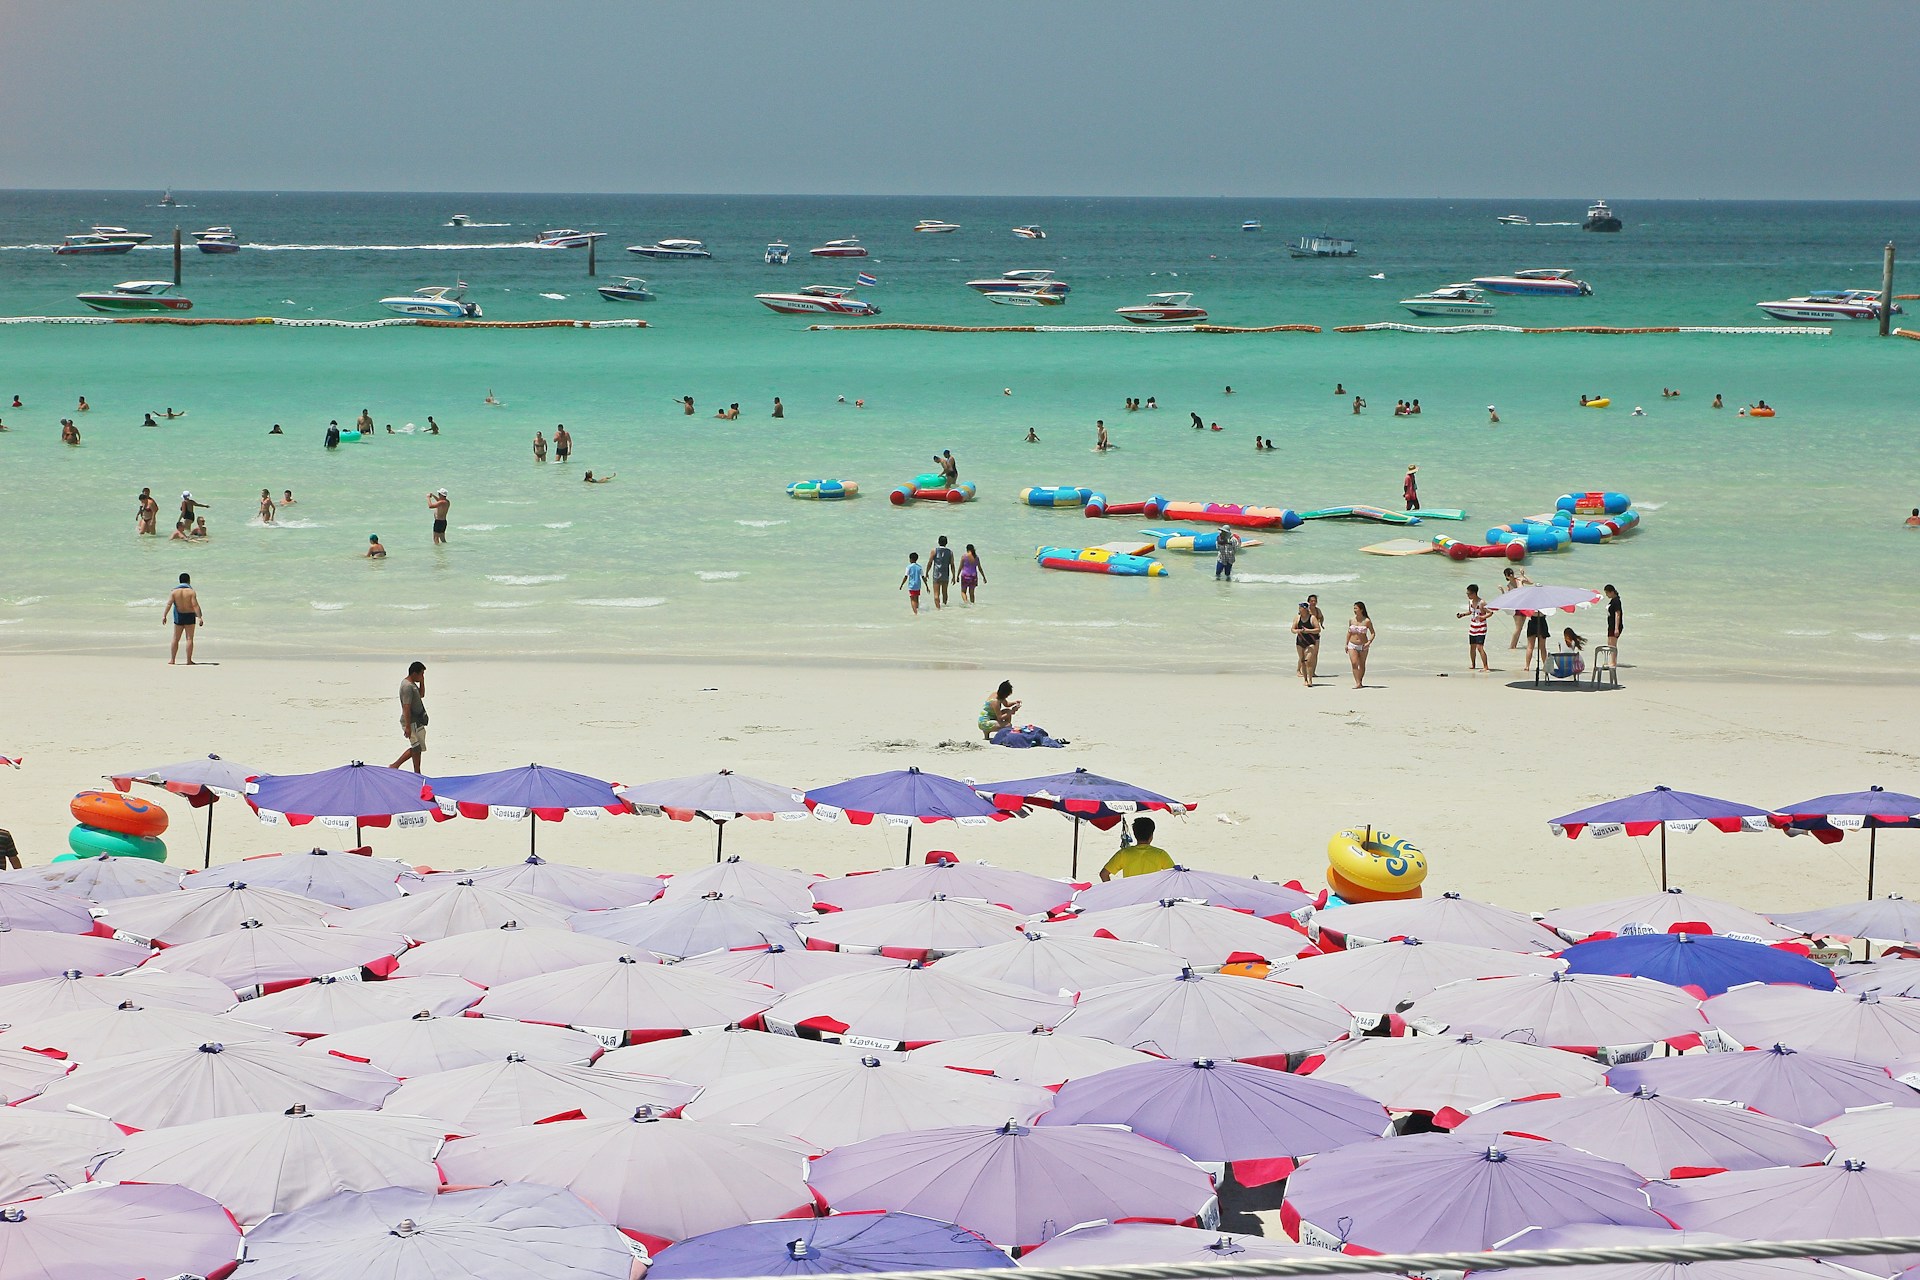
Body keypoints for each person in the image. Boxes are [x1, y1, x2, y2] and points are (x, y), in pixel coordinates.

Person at [1098, 816, 1175, 882]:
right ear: (1151, 836)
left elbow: (1104, 874)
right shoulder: (1160, 854)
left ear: (1135, 835)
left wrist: (1113, 892)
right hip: (1153, 896)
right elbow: (1175, 875)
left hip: (1130, 897)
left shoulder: (1124, 853)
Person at [389, 661, 428, 773]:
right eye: (421, 674)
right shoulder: (407, 686)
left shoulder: (412, 684)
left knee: (418, 748)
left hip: (417, 721)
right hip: (411, 721)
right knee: (416, 747)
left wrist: (422, 681)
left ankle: (417, 771)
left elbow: (421, 695)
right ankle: (395, 765)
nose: (422, 676)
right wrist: (407, 726)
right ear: (414, 673)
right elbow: (406, 707)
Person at [163, 572, 202, 665]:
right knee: (189, 639)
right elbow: (195, 605)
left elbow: (169, 604)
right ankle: (189, 660)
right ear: (189, 581)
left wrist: (164, 615)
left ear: (179, 581)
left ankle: (172, 660)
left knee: (176, 638)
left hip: (179, 616)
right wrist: (200, 617)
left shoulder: (174, 592)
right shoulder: (191, 592)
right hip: (189, 615)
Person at [1458, 584, 1491, 671]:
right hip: (1472, 627)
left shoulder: (1482, 602)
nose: (1467, 595)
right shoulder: (1470, 602)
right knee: (1472, 647)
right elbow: (1470, 612)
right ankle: (1473, 664)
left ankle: (1486, 667)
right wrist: (1462, 614)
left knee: (1479, 647)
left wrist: (1483, 617)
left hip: (1481, 628)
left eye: (1469, 593)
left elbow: (1490, 612)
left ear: (1474, 593)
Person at [1502, 566, 1535, 647]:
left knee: (1520, 628)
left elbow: (1531, 582)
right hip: (1516, 607)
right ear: (1506, 577)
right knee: (1518, 628)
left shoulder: (1520, 579)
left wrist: (1523, 575)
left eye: (1512, 573)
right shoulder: (1509, 586)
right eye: (1509, 575)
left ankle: (1514, 646)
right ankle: (1512, 646)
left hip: (1524, 606)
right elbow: (1506, 597)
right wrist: (1502, 591)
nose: (1511, 575)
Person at [1347, 601, 1376, 689]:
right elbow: (1349, 632)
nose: (1354, 610)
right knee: (1354, 663)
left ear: (1361, 609)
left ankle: (1360, 681)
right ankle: (1357, 682)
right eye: (1354, 608)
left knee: (1362, 664)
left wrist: (1369, 642)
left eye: (1356, 608)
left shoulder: (1367, 621)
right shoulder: (1351, 620)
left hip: (1363, 645)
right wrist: (1346, 643)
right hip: (1352, 644)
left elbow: (1373, 633)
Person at [1292, 602, 1320, 687]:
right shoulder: (1297, 618)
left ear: (1305, 609)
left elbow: (1318, 629)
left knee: (1308, 661)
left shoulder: (1312, 618)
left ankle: (1310, 680)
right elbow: (1292, 629)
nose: (1299, 610)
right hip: (1300, 641)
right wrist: (1297, 631)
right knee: (1302, 660)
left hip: (1310, 642)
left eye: (1301, 608)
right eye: (1299, 608)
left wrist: (1308, 630)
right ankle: (1305, 679)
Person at [927, 535, 956, 609]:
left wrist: (927, 572)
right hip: (945, 574)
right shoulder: (950, 552)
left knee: (936, 594)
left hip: (937, 575)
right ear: (946, 542)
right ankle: (944, 606)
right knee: (945, 592)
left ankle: (938, 609)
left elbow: (930, 563)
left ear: (938, 542)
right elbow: (952, 565)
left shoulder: (934, 551)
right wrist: (954, 576)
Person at [1524, 608, 1551, 673]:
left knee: (1530, 647)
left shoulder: (1531, 603)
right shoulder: (1544, 603)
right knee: (1542, 647)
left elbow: (1527, 613)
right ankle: (1545, 665)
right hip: (1542, 621)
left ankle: (1527, 666)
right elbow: (1547, 613)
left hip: (1532, 620)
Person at [1604, 584, 1624, 658]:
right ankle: (1611, 661)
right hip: (1611, 625)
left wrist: (1616, 628)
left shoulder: (1616, 601)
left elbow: (1617, 614)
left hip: (1615, 626)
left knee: (1613, 645)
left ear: (1612, 592)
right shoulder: (1612, 601)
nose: (1606, 595)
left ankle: (1613, 662)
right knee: (1610, 644)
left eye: (1607, 593)